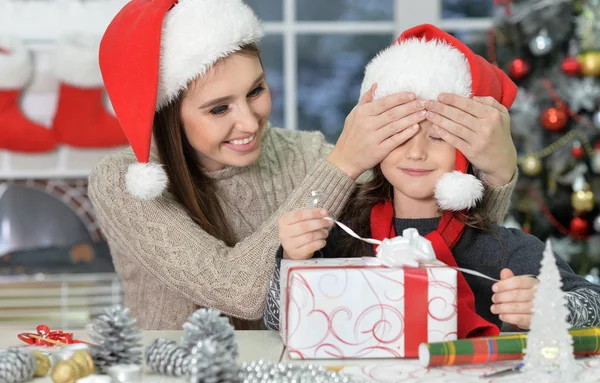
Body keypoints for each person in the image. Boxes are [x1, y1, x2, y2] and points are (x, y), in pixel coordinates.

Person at [89, 0, 519, 330]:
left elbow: (440, 229)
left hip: (291, 374)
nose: (249, 120)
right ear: (168, 118)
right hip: (171, 382)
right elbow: (233, 289)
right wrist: (343, 162)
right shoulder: (124, 182)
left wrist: (498, 171)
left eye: (255, 90)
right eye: (219, 109)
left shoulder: (306, 154)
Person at [266, 24, 600, 334]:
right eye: (401, 133)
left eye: (438, 136)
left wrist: (554, 305)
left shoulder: (501, 249)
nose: (415, 152)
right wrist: (295, 260)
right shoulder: (339, 239)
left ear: (467, 148)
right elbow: (275, 320)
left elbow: (594, 303)